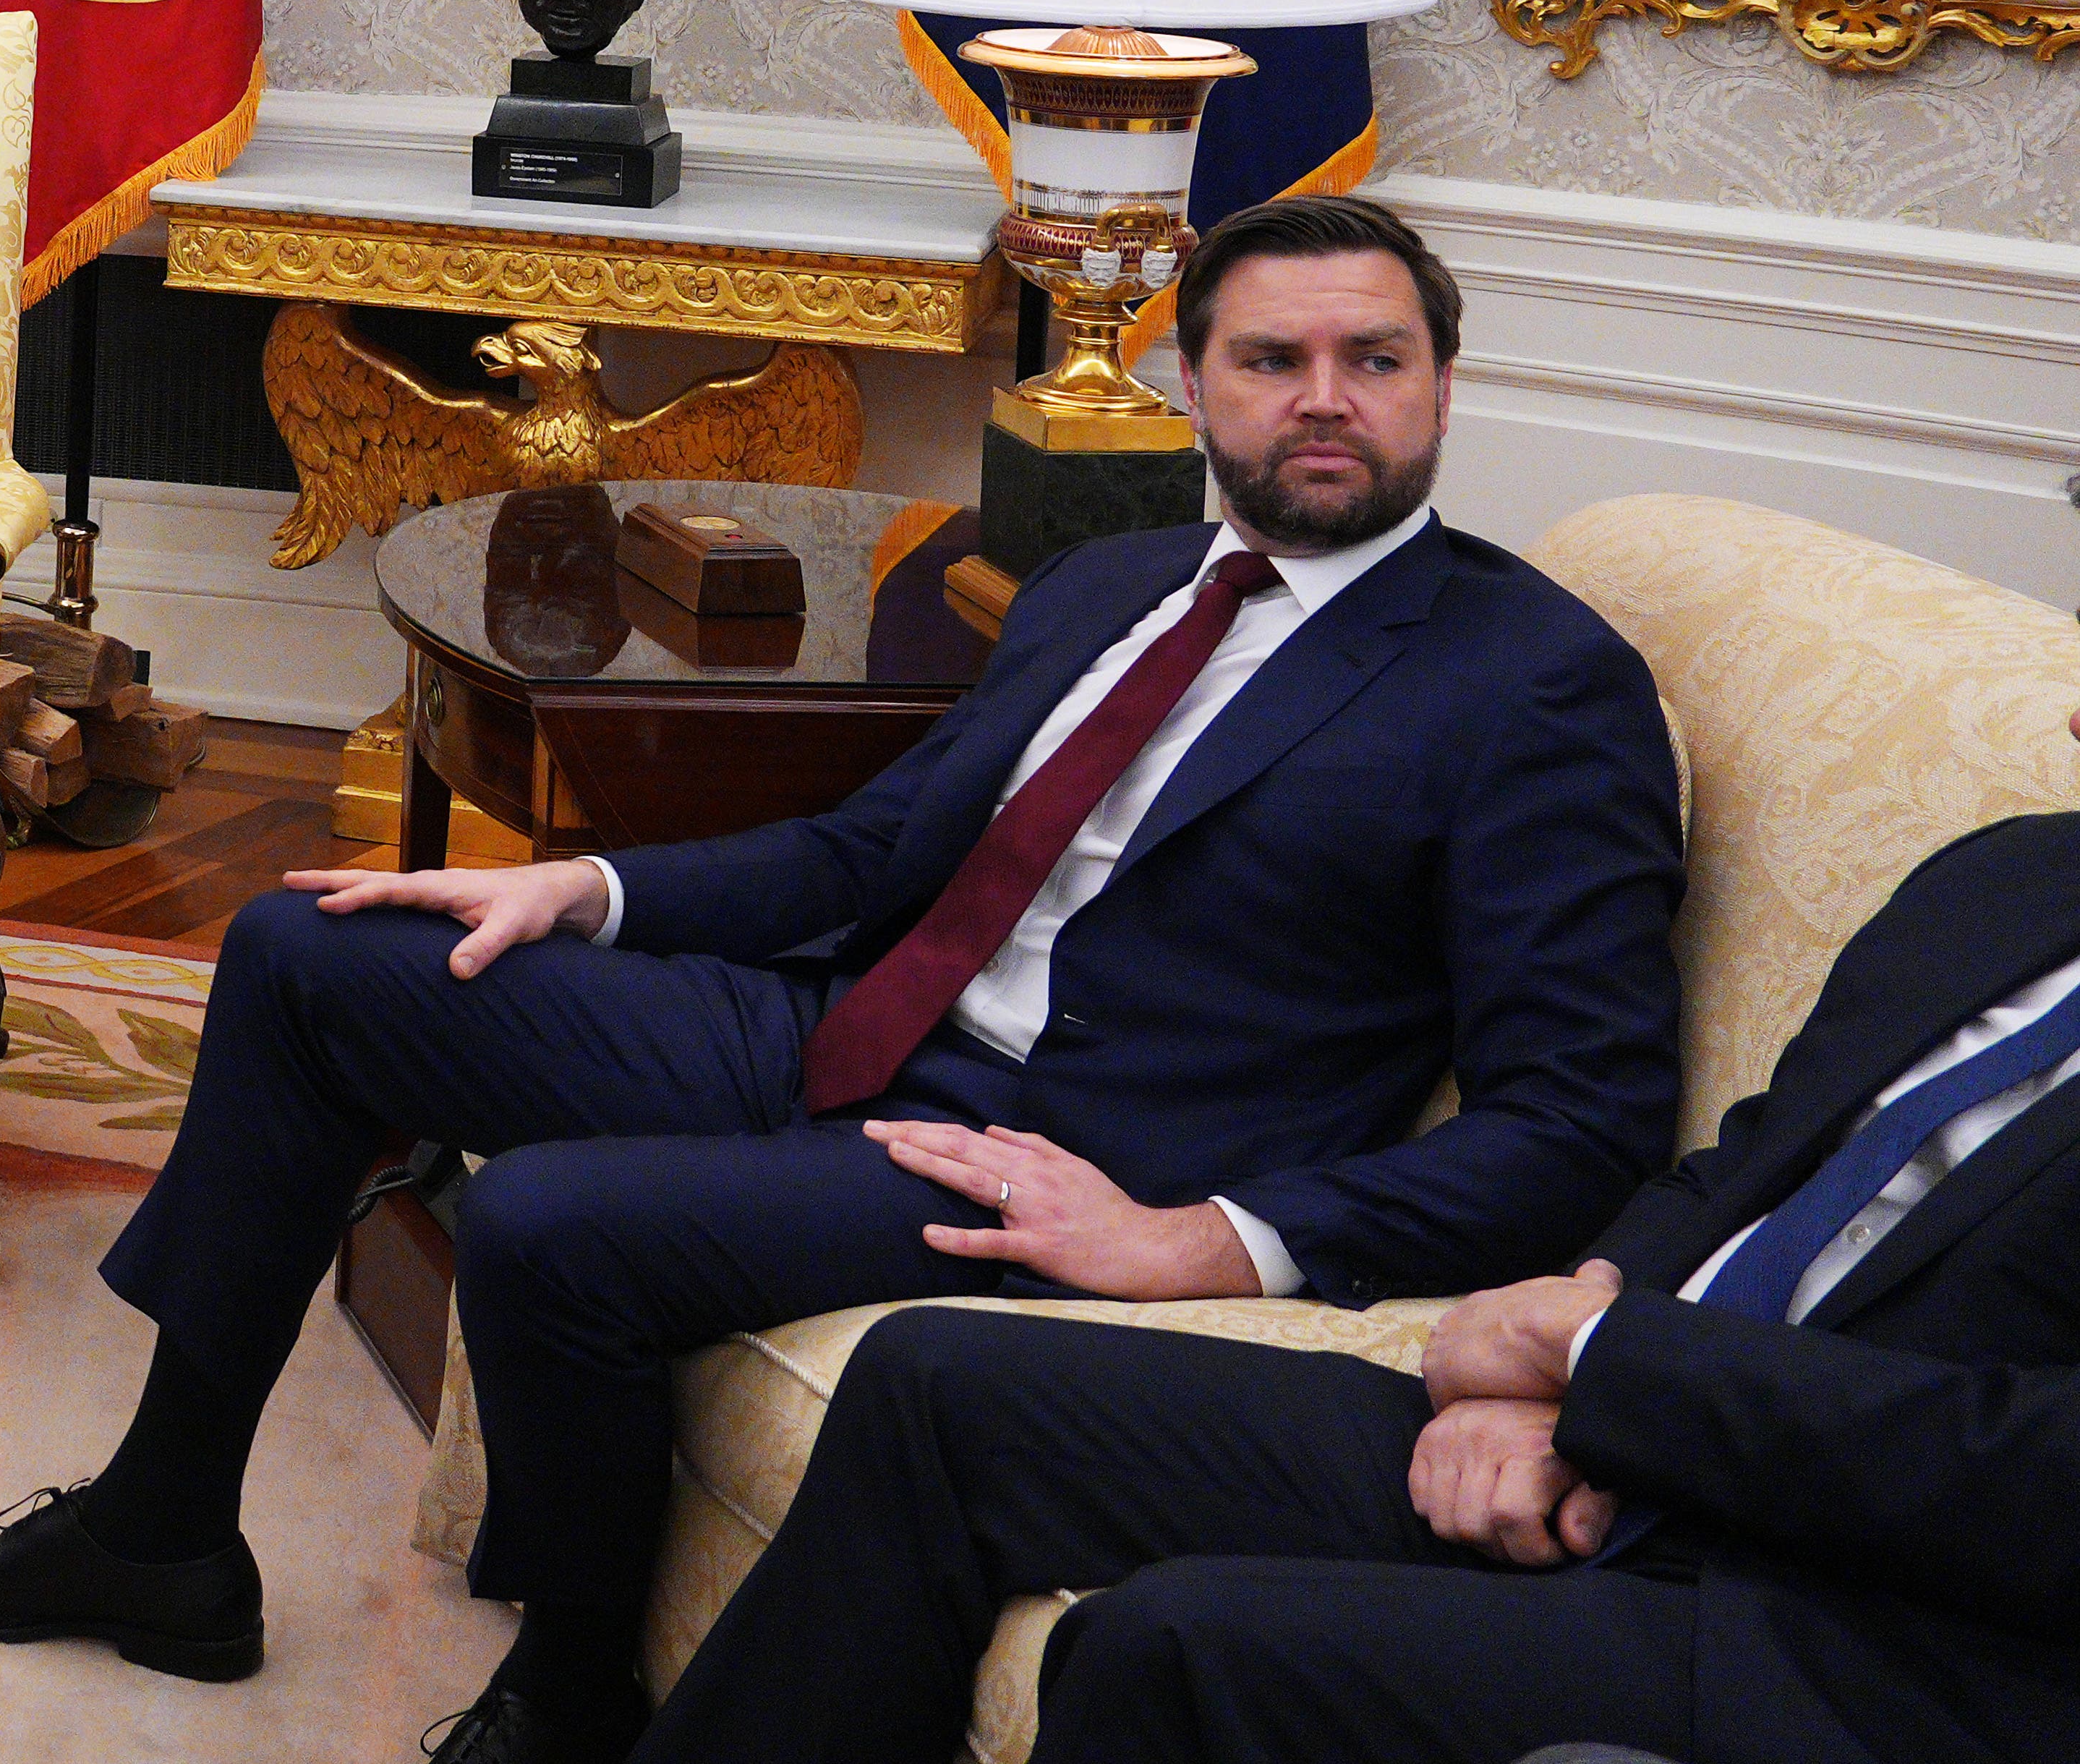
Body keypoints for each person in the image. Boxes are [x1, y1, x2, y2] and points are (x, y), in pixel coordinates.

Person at [0, 194, 1687, 1764]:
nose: (1326, 402)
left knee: (555, 1224)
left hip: (1042, 1152)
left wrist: (1209, 1235)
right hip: (849, 1024)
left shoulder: (1536, 685)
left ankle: (570, 1689)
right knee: (315, 944)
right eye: (1276, 360)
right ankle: (162, 1527)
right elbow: (878, 854)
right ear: (1192, 379)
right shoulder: (1107, 578)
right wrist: (592, 885)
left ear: (1441, 383)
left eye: (1376, 359)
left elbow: (1578, 1115)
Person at [625, 698, 2080, 1764]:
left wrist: (1598, 1364)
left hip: (1857, 1628)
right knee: (943, 1388)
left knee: (1172, 1648)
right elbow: (1746, 1165)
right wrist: (1561, 1366)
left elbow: (2038, 1478)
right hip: (1638, 1435)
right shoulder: (2009, 878)